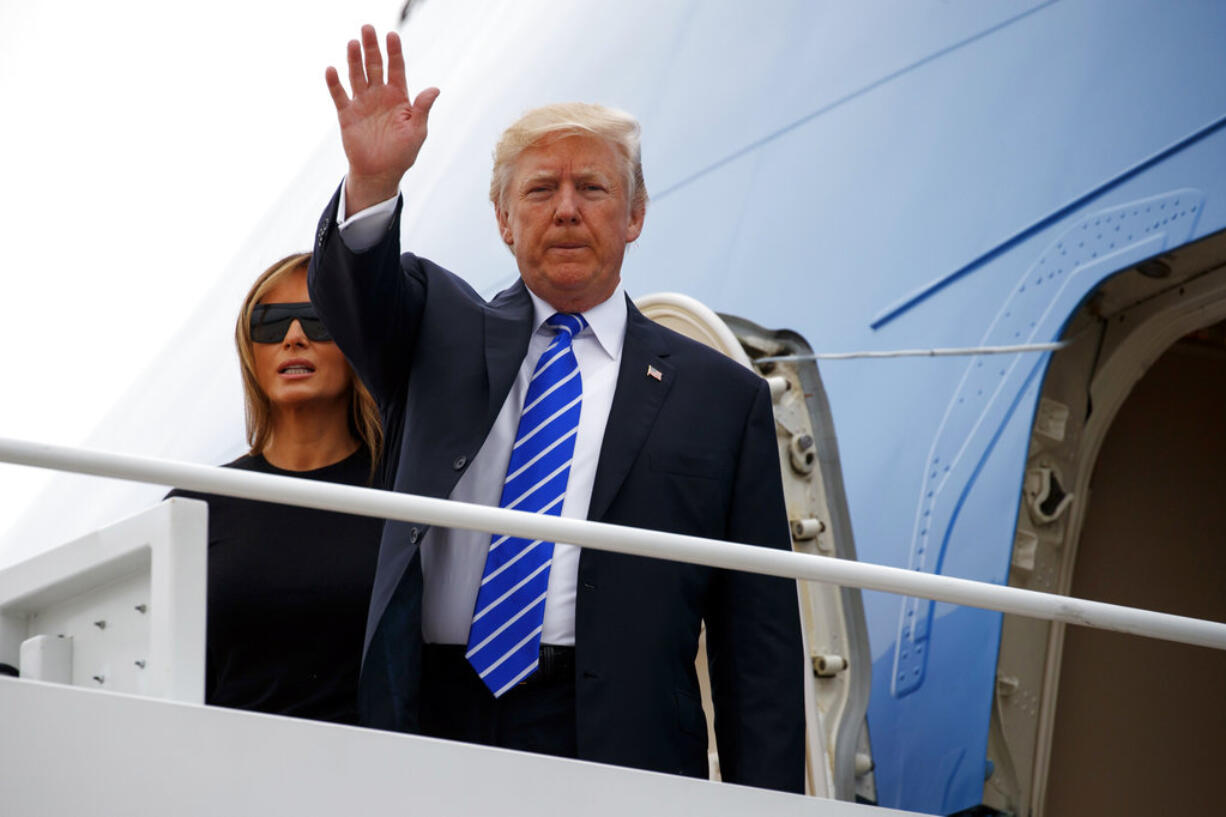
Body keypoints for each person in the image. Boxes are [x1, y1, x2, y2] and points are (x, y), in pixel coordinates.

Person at [309, 25, 805, 791]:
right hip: (438, 718)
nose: (566, 210)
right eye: (541, 190)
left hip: (620, 737)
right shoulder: (436, 328)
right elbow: (356, 297)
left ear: (634, 215)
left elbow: (758, 645)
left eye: (593, 189)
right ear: (504, 220)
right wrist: (371, 186)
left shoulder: (720, 398)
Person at [169, 252, 385, 725]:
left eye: (319, 319)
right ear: (251, 352)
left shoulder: (406, 495)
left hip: (380, 777)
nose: (293, 338)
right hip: (228, 776)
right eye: (269, 323)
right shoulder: (196, 504)